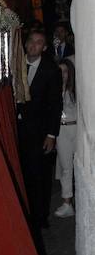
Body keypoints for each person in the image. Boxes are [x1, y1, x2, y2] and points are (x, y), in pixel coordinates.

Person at [17, 30, 63, 243]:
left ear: (44, 47)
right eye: (31, 41)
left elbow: (55, 104)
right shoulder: (16, 65)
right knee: (24, 173)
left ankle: (40, 216)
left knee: (41, 176)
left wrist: (51, 134)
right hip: (19, 129)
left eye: (39, 43)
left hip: (40, 131)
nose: (33, 45)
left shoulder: (50, 70)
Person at [54, 59, 77, 218]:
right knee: (66, 166)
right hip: (61, 130)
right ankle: (67, 202)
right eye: (60, 71)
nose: (63, 75)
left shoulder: (76, 91)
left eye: (65, 71)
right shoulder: (53, 91)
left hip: (77, 129)